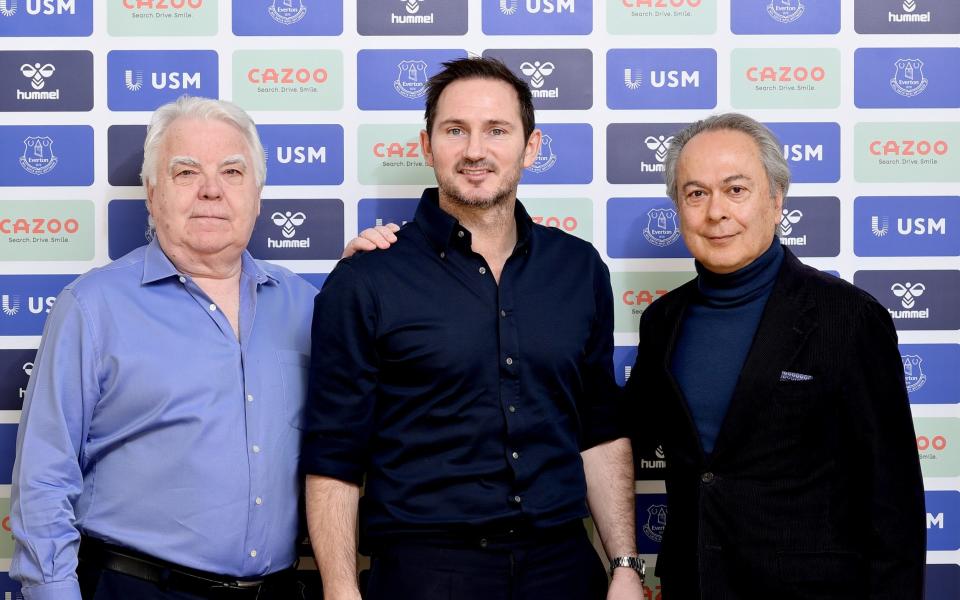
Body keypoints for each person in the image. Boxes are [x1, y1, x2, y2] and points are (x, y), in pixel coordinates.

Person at [303, 57, 645, 600]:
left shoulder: (579, 269)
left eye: (497, 130)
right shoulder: (366, 279)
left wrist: (626, 563)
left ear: (531, 147)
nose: (475, 151)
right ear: (426, 145)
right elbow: (333, 457)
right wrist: (341, 591)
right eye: (455, 130)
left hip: (562, 566)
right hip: (425, 571)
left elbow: (599, 430)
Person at [9, 96, 318, 600]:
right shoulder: (92, 308)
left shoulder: (306, 306)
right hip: (138, 588)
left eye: (233, 172)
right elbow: (43, 479)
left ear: (258, 195)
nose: (212, 191)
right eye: (187, 172)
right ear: (152, 194)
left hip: (277, 590)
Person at [624, 113, 926, 598]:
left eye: (736, 189)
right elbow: (626, 433)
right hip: (693, 586)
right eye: (696, 193)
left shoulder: (848, 318)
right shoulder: (662, 321)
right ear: (678, 207)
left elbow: (893, 500)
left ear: (776, 198)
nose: (715, 211)